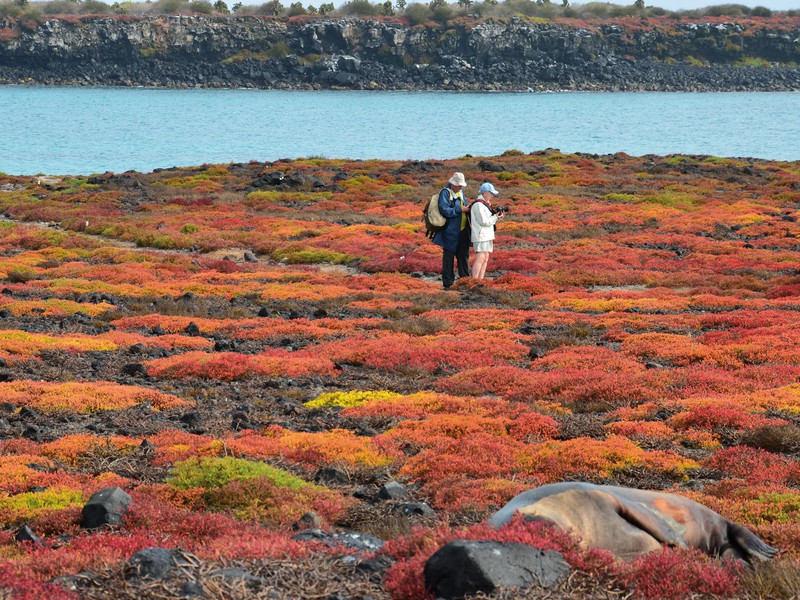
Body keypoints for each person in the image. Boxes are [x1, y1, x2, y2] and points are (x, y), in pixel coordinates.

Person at [432, 172, 471, 290]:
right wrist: (460, 210)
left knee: (463, 256)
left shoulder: (460, 192)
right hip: (450, 232)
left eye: (462, 185)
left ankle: (464, 280)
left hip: (463, 230)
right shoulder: (445, 192)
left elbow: (464, 205)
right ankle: (448, 283)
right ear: (452, 183)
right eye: (459, 185)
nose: (461, 187)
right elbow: (444, 210)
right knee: (448, 258)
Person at [470, 182, 504, 280]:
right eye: (491, 193)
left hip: (486, 235)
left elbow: (487, 220)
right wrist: (495, 218)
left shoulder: (484, 204)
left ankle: (480, 280)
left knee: (485, 258)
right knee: (480, 258)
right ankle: (474, 280)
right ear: (484, 192)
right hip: (481, 235)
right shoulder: (478, 205)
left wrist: (495, 217)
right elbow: (483, 221)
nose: (492, 196)